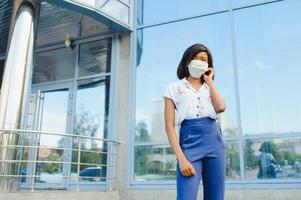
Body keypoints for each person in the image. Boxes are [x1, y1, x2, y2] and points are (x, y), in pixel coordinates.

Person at [163, 43, 226, 200]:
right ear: (187, 61)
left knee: (216, 197)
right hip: (189, 142)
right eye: (195, 58)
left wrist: (210, 81)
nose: (199, 62)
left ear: (208, 64)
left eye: (203, 59)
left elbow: (221, 107)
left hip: (214, 141)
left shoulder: (209, 87)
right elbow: (169, 126)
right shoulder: (173, 88)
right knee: (186, 196)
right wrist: (181, 158)